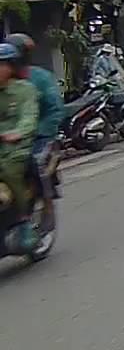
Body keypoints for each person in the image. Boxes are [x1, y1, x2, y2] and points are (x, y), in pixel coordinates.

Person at [6, 34, 64, 216]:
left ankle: (47, 203)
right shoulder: (6, 82)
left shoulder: (40, 78)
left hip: (39, 135)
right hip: (8, 137)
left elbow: (54, 110)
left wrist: (35, 131)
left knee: (36, 162)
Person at [0, 43, 40, 251]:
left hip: (16, 149)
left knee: (9, 171)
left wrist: (18, 132)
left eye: (1, 65)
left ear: (12, 66)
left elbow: (29, 116)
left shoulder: (25, 90)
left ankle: (24, 222)